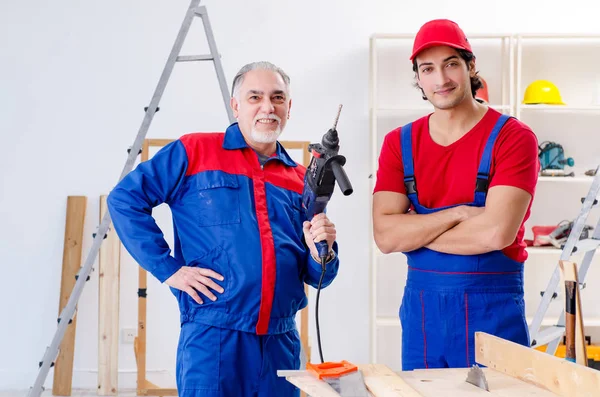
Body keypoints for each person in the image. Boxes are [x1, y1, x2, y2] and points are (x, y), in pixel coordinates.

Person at [107, 61, 340, 396]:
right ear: (236, 105)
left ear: (288, 107)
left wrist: (325, 250)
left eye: (277, 98)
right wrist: (168, 269)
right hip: (214, 339)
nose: (267, 107)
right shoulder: (195, 151)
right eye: (254, 97)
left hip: (281, 343)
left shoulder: (302, 180)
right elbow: (124, 199)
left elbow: (320, 275)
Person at [372, 19, 539, 370]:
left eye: (451, 64)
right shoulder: (398, 144)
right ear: (417, 77)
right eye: (427, 69)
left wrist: (414, 229)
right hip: (423, 319)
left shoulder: (513, 138)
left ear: (470, 66)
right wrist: (459, 213)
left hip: (492, 315)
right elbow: (386, 237)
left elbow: (496, 232)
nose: (441, 79)